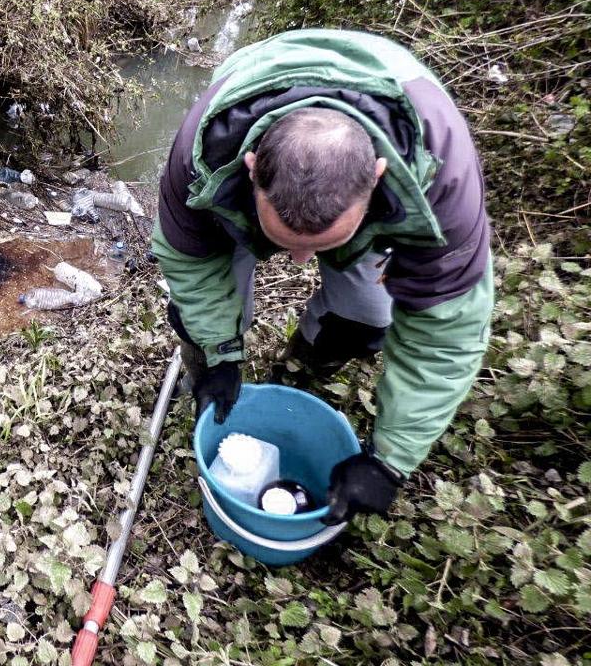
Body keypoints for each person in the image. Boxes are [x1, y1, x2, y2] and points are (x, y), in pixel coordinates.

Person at [151, 29, 493, 524]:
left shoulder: (443, 179)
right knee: (201, 314)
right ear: (251, 169)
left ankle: (299, 375)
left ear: (377, 176)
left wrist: (390, 460)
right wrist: (219, 351)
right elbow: (191, 264)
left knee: (366, 317)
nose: (297, 263)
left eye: (320, 245)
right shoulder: (203, 152)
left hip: (391, 145)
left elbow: (447, 332)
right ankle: (212, 375)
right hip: (242, 150)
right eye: (287, 242)